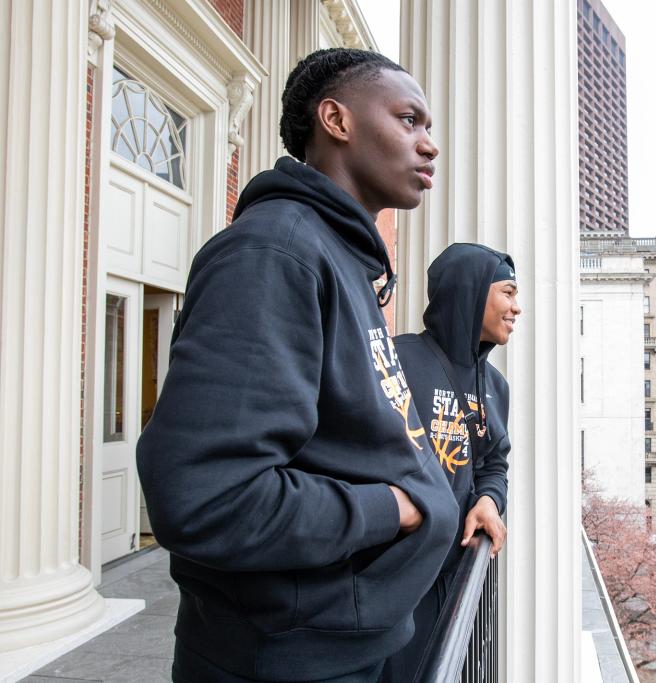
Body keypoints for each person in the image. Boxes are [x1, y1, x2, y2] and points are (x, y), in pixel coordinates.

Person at [136, 48, 459, 683]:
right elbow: (208, 497)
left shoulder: (337, 259)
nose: (430, 146)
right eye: (410, 120)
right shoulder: (275, 254)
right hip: (286, 660)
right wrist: (397, 507)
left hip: (341, 643)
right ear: (335, 119)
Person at [382, 243, 518, 681]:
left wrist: (490, 501)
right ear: (472, 292)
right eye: (508, 292)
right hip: (392, 586)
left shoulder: (496, 387)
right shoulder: (397, 360)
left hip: (454, 582)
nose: (517, 307)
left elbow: (494, 463)